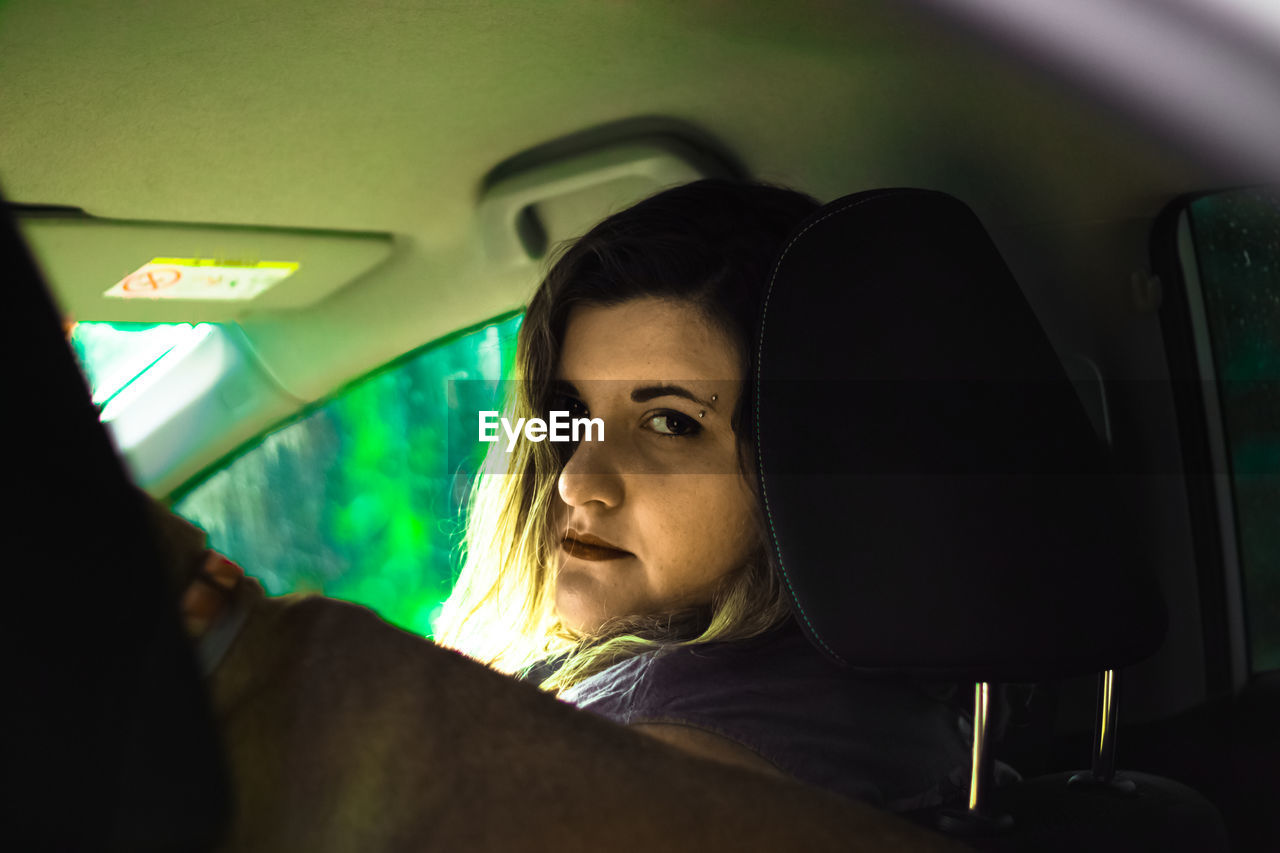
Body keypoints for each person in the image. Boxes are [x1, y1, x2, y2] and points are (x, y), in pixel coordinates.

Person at [433, 179, 975, 808]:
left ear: (805, 474)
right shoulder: (867, 709)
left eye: (671, 422)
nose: (576, 480)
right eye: (568, 410)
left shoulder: (667, 755)